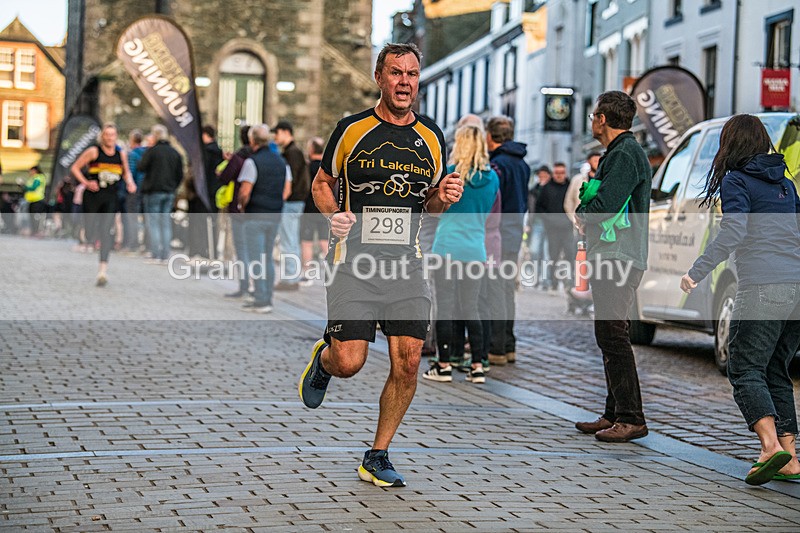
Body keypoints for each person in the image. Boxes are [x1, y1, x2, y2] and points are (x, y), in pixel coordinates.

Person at [298, 42, 463, 488]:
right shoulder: (351, 130)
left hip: (406, 266)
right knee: (350, 362)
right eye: (396, 73)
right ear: (379, 77)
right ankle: (325, 360)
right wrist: (334, 215)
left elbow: (429, 207)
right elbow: (321, 183)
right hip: (353, 264)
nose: (405, 81)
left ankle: (378, 453)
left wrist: (442, 198)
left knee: (408, 361)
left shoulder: (430, 136)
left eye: (412, 73)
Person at [680, 114, 800, 485]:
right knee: (776, 369)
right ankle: (791, 458)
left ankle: (769, 447)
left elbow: (734, 231)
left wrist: (696, 271)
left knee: (744, 367)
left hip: (763, 285)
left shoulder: (737, 181)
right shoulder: (787, 184)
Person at [574, 91, 651, 443]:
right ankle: (614, 412)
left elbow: (605, 204)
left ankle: (632, 417)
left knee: (613, 334)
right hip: (612, 252)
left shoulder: (625, 154)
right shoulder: (620, 153)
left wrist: (582, 212)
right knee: (609, 332)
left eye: (593, 116)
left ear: (602, 119)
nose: (592, 121)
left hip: (619, 254)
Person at [423, 124, 499, 385]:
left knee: (444, 307)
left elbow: (437, 208)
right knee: (472, 308)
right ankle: (477, 366)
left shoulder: (451, 174)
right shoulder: (493, 178)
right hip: (475, 250)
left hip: (446, 247)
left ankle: (443, 365)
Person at [485, 116, 530, 366]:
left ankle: (497, 347)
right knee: (506, 291)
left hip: (498, 234)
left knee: (495, 291)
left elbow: (493, 202)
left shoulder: (497, 165)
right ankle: (509, 345)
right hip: (514, 233)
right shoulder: (522, 164)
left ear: (491, 136)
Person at [70, 123, 136, 286]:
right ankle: (87, 235)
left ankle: (102, 271)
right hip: (92, 196)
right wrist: (86, 182)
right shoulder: (94, 151)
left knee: (106, 232)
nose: (109, 138)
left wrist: (130, 183)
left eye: (112, 135)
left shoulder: (121, 154)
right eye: (107, 135)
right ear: (102, 137)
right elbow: (75, 168)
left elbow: (126, 171)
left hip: (110, 197)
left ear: (116, 136)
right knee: (91, 232)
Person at [237, 124, 292, 313]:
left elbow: (245, 191)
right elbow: (287, 189)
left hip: (255, 215)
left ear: (252, 140)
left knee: (256, 258)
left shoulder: (252, 162)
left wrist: (242, 206)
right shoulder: (281, 162)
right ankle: (266, 296)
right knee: (267, 257)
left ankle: (261, 299)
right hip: (275, 214)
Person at [138, 124, 183, 263]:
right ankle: (165, 254)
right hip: (169, 191)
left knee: (153, 223)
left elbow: (141, 167)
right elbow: (180, 174)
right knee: (165, 222)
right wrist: (173, 186)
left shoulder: (152, 151)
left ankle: (155, 253)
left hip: (153, 191)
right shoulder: (175, 153)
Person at [274, 120, 310, 290]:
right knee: (291, 239)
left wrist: (283, 197)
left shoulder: (292, 153)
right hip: (296, 200)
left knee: (288, 240)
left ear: (285, 132)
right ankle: (292, 277)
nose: (275, 137)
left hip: (291, 201)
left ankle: (290, 279)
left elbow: (290, 180)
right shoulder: (294, 152)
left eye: (277, 133)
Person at [219, 125, 253, 298]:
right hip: (260, 209)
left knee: (241, 247)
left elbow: (224, 177)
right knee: (258, 249)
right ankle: (258, 287)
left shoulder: (239, 157)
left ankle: (245, 285)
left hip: (240, 208)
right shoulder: (262, 156)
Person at [535, 162, 573, 290]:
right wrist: (548, 219)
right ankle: (554, 283)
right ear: (553, 173)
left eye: (562, 173)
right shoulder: (546, 188)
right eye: (557, 173)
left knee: (570, 255)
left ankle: (570, 283)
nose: (559, 176)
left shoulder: (570, 185)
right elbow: (539, 207)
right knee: (553, 256)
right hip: (552, 228)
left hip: (568, 227)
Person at [300, 136, 329, 284]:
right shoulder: (328, 168)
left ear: (311, 149)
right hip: (325, 209)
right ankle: (334, 273)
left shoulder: (307, 167)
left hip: (309, 209)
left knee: (307, 242)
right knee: (325, 241)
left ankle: (308, 275)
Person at [122, 129, 147, 251]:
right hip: (146, 188)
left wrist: (129, 185)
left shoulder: (132, 154)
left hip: (134, 188)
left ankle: (133, 243)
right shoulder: (147, 152)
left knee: (132, 217)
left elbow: (130, 172)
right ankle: (146, 244)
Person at [24, 166, 47, 236]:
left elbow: (34, 187)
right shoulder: (32, 178)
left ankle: (38, 232)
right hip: (32, 201)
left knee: (36, 217)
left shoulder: (38, 177)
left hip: (38, 200)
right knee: (31, 217)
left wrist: (24, 187)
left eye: (31, 171)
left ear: (35, 170)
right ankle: (34, 232)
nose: (30, 173)